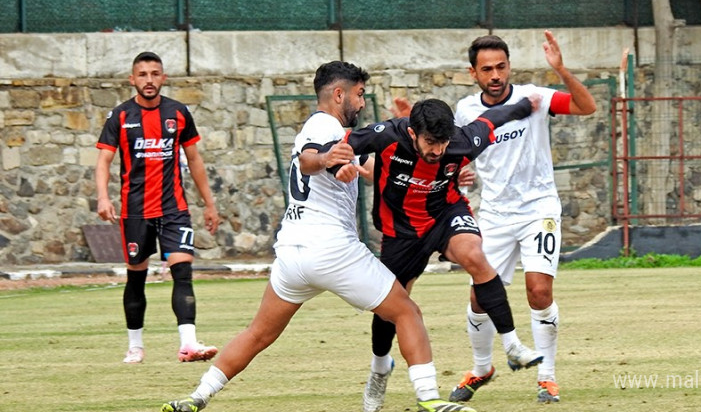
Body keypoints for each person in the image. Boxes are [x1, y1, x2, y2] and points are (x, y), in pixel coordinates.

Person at [160, 61, 475, 412]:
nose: (360, 103)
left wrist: (438, 178)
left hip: (293, 253)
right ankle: (431, 399)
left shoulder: (326, 132)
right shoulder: (323, 124)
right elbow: (312, 158)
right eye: (357, 95)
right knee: (407, 313)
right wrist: (328, 159)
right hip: (330, 248)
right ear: (338, 94)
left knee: (258, 334)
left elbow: (361, 168)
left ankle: (197, 396)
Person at [338, 94, 544, 412]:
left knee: (475, 255)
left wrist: (526, 104)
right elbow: (343, 142)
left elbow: (495, 118)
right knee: (389, 308)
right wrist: (339, 165)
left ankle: (513, 344)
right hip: (400, 232)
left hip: (445, 215)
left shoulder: (462, 141)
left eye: (443, 142)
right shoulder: (388, 134)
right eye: (430, 142)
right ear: (412, 133)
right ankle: (379, 368)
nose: (437, 150)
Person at [450, 30, 598, 403]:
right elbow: (459, 155)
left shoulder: (536, 97)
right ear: (474, 73)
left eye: (501, 66)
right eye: (487, 69)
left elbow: (586, 106)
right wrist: (459, 172)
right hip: (496, 215)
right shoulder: (467, 110)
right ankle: (482, 369)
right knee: (479, 299)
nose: (496, 75)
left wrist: (561, 70)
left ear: (510, 66)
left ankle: (546, 377)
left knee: (539, 291)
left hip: (539, 210)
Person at [95, 51, 221, 365]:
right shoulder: (121, 117)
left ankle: (188, 344)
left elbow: (194, 160)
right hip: (135, 213)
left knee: (183, 272)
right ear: (132, 79)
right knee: (136, 278)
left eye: (155, 74)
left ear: (163, 78)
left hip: (174, 210)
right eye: (143, 74)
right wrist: (103, 198)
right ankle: (135, 346)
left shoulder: (178, 113)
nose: (149, 80)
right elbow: (104, 161)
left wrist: (210, 204)